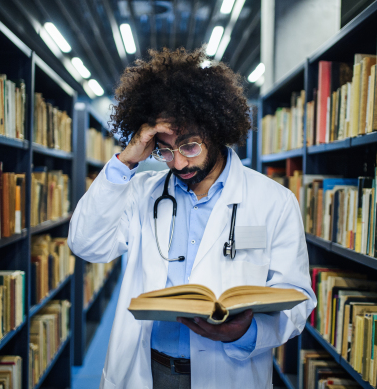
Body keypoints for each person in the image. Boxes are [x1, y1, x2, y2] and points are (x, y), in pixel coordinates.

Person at [68, 48, 316, 389]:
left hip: (228, 368)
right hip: (148, 369)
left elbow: (297, 297)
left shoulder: (274, 201)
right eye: (165, 150)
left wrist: (248, 331)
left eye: (189, 146)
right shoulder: (142, 191)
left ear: (216, 129)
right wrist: (125, 161)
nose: (178, 164)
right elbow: (86, 244)